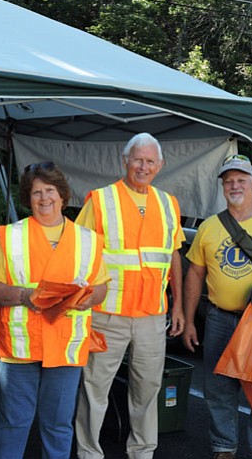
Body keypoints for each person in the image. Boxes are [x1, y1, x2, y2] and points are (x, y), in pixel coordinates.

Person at [0, 162, 108, 459]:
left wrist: (85, 298)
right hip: (21, 346)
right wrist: (25, 295)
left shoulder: (87, 239)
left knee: (58, 425)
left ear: (63, 196)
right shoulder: (12, 236)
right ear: (28, 199)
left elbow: (102, 286)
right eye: (36, 192)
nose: (44, 198)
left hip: (66, 346)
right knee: (14, 423)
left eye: (49, 190)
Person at [75, 132, 185, 459]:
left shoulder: (169, 203)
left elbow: (174, 255)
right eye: (138, 159)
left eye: (150, 161)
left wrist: (178, 304)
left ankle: (142, 452)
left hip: (152, 315)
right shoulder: (100, 199)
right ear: (125, 161)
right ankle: (88, 453)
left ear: (160, 165)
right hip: (107, 314)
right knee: (95, 390)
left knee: (147, 391)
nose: (143, 166)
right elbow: (80, 254)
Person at [182, 154, 252, 459]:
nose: (235, 186)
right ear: (222, 187)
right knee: (219, 389)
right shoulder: (209, 227)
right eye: (229, 181)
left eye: (241, 180)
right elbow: (195, 273)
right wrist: (191, 320)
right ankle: (224, 447)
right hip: (220, 319)